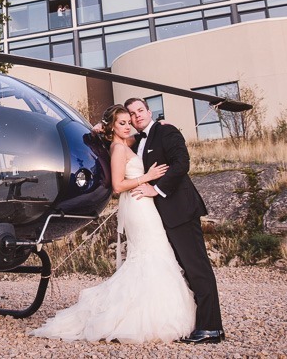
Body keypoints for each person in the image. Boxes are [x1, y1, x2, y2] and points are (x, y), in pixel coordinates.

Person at [29, 105, 196, 344]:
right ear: (113, 127)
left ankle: (159, 311)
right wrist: (146, 177)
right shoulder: (118, 148)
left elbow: (142, 134)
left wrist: (160, 125)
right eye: (122, 123)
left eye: (129, 122)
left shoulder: (127, 143)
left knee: (158, 253)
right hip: (138, 205)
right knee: (150, 254)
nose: (128, 126)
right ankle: (142, 317)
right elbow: (117, 186)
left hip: (145, 204)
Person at [125, 97, 224, 344]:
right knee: (181, 269)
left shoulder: (166, 131)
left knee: (196, 267)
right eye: (132, 114)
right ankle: (195, 323)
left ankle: (212, 328)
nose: (137, 116)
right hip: (159, 218)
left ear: (149, 111)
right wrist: (98, 126)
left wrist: (155, 189)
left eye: (140, 110)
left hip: (180, 210)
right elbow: (112, 135)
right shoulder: (136, 141)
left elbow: (182, 164)